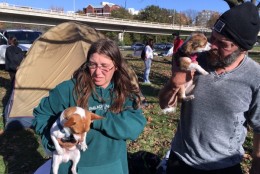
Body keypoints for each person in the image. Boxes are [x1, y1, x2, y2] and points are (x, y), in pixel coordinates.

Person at [159, 2, 260, 174]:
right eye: (212, 37)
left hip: (224, 166)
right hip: (180, 162)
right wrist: (173, 84)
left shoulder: (255, 77)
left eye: (223, 44)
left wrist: (256, 168)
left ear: (243, 48)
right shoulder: (194, 60)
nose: (212, 46)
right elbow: (164, 104)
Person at [32, 39, 147, 174]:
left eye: (105, 66)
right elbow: (41, 116)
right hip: (71, 168)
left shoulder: (124, 93)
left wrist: (94, 119)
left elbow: (133, 128)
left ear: (116, 66)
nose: (98, 72)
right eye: (92, 65)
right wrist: (53, 141)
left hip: (112, 167)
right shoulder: (68, 90)